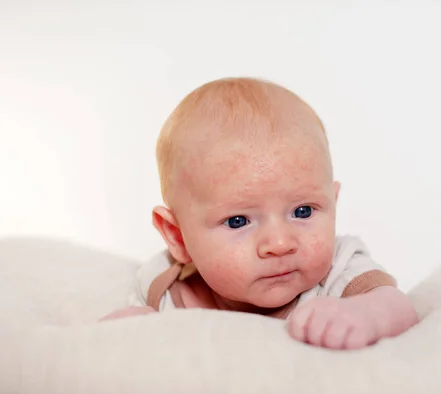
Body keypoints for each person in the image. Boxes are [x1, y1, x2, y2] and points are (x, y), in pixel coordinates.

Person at [101, 77, 419, 350]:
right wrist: (131, 326)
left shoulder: (339, 268)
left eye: (303, 211)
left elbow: (398, 306)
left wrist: (367, 315)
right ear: (177, 236)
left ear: (333, 204)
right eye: (238, 221)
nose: (280, 243)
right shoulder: (163, 284)